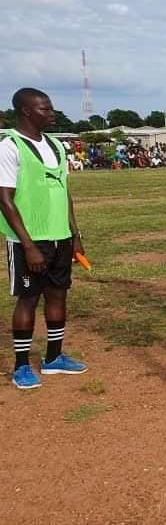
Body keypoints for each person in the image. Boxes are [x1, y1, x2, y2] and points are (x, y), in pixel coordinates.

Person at [0, 88, 88, 389]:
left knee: (58, 294)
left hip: (59, 237)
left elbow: (65, 193)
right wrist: (28, 245)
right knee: (28, 299)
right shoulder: (9, 146)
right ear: (26, 111)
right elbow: (5, 199)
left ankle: (54, 358)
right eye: (45, 109)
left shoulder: (55, 145)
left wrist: (74, 235)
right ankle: (22, 365)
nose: (51, 114)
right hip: (28, 241)